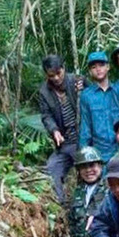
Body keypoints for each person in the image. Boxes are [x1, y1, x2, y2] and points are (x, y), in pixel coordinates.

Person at [38, 54, 83, 205]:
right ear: (46, 74)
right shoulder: (44, 91)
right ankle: (61, 206)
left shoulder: (76, 80)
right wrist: (54, 131)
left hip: (82, 139)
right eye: (52, 75)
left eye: (59, 73)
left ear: (64, 68)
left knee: (87, 171)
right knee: (51, 170)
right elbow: (46, 115)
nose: (56, 78)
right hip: (64, 143)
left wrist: (83, 88)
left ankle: (85, 205)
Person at [79, 51, 119, 161]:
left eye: (101, 65)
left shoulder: (118, 91)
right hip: (99, 152)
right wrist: (83, 154)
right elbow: (85, 127)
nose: (98, 69)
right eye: (94, 67)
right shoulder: (86, 95)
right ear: (90, 71)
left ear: (108, 67)